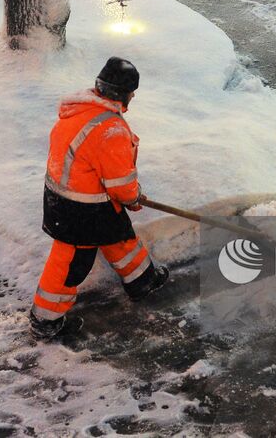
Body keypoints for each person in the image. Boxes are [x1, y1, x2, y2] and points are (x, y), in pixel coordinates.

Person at [30, 57, 170, 340]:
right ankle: (46, 319)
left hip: (72, 197)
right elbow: (120, 181)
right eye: (132, 92)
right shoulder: (109, 129)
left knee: (119, 236)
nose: (133, 98)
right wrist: (132, 198)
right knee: (70, 261)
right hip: (80, 208)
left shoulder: (80, 112)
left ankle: (142, 280)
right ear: (123, 93)